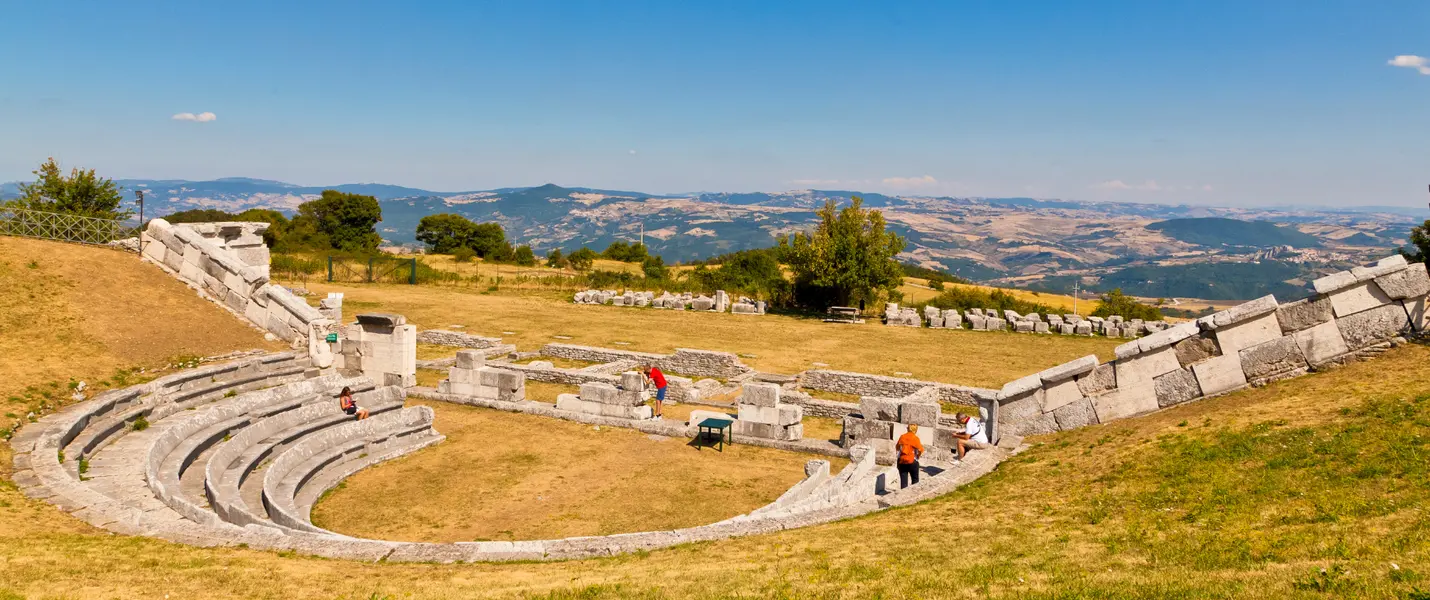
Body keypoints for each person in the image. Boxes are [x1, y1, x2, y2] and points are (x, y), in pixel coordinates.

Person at [895, 424, 924, 488]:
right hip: (912, 462)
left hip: (902, 461)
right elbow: (920, 450)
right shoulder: (916, 438)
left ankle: (903, 496)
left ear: (908, 429)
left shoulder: (902, 437)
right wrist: (917, 456)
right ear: (915, 430)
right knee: (915, 481)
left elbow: (897, 448)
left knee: (903, 483)